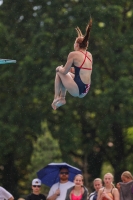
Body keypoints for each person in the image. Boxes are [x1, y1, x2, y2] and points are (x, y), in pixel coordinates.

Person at [51, 18, 93, 110]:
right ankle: (61, 98)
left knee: (59, 73)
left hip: (78, 88)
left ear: (77, 45)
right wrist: (73, 70)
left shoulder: (73, 54)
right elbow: (85, 71)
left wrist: (59, 68)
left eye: (74, 43)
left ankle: (58, 98)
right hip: (86, 89)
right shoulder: (89, 54)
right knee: (66, 73)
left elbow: (64, 71)